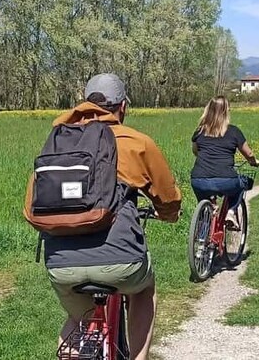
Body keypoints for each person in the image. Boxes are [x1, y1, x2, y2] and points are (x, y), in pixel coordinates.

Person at [26, 73, 182, 360]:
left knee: (79, 321)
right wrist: (169, 215)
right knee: (144, 290)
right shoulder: (137, 141)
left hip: (61, 267)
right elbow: (168, 198)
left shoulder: (59, 141)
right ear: (122, 107)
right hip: (122, 261)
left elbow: (33, 205)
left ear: (85, 104)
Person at [190, 96, 259, 222]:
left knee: (205, 203)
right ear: (226, 112)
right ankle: (231, 212)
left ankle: (202, 233)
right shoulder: (233, 131)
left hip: (198, 180)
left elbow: (195, 151)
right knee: (242, 183)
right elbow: (248, 154)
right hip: (226, 180)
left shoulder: (199, 131)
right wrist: (254, 162)